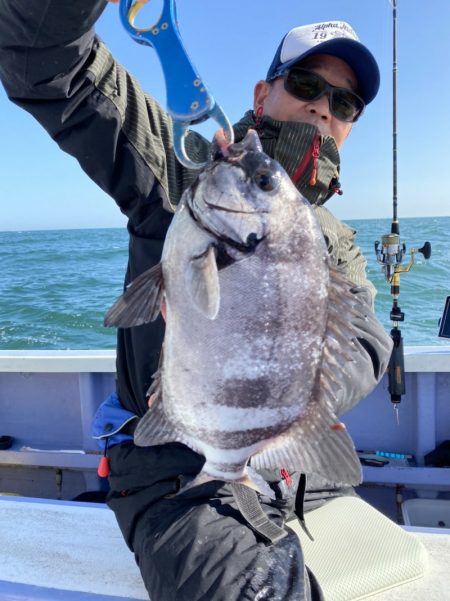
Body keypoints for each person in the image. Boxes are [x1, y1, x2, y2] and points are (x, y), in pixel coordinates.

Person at [0, 3, 393, 600]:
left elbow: (370, 338)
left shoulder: (334, 238)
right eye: (308, 85)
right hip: (175, 476)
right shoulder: (184, 166)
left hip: (297, 473)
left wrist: (290, 396)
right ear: (263, 94)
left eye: (345, 104)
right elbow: (50, 62)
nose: (323, 108)